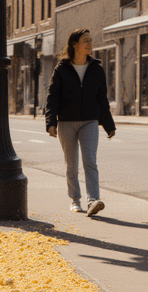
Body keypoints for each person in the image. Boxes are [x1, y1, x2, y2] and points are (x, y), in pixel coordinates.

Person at [45, 29, 116, 217]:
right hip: (66, 122)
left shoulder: (97, 69)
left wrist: (108, 125)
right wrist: (50, 122)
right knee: (71, 165)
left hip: (89, 121)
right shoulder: (61, 69)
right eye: (86, 40)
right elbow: (53, 97)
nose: (90, 43)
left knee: (90, 161)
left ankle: (93, 200)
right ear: (74, 44)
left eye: (91, 40)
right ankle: (75, 200)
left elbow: (102, 100)